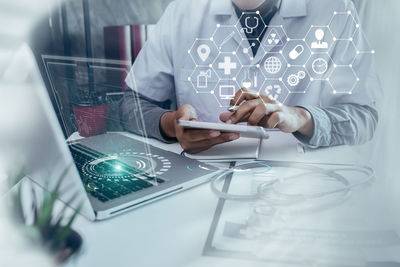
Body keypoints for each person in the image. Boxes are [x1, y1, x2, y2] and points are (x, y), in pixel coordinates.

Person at [122, 0, 380, 154]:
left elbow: (365, 119)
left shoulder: (335, 9)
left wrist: (301, 117)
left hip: (303, 187)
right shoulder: (182, 11)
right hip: (197, 180)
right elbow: (130, 104)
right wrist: (170, 125)